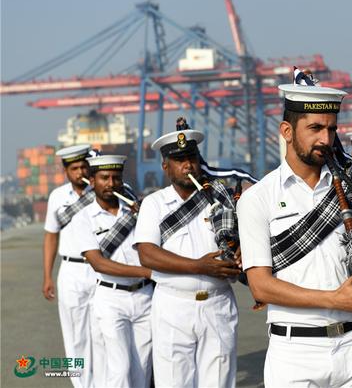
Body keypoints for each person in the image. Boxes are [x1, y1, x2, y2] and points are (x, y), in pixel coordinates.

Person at [237, 69, 352, 387]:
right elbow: (261, 286)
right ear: (286, 131)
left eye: (331, 129)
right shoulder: (258, 198)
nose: (326, 140)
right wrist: (334, 300)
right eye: (315, 128)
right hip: (295, 353)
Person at [135, 125, 242, 387]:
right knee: (174, 382)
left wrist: (241, 251)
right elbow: (147, 254)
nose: (188, 166)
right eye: (179, 160)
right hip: (174, 307)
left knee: (218, 382)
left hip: (218, 304)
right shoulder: (154, 204)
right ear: (165, 166)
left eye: (192, 159)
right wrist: (199, 267)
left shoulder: (221, 198)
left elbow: (242, 240)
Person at [72, 154, 153, 387]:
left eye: (116, 178)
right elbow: (98, 263)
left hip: (145, 298)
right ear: (92, 181)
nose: (111, 183)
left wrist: (147, 215)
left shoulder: (139, 211)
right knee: (120, 368)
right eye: (104, 178)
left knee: (142, 369)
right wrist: (147, 273)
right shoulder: (83, 218)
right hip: (111, 298)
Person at [42, 144, 97, 388]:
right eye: (74, 168)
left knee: (103, 332)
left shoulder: (103, 192)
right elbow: (50, 236)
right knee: (75, 336)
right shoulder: (57, 197)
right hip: (71, 271)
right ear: (66, 171)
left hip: (101, 269)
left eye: (83, 166)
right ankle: (81, 385)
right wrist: (47, 276)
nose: (80, 172)